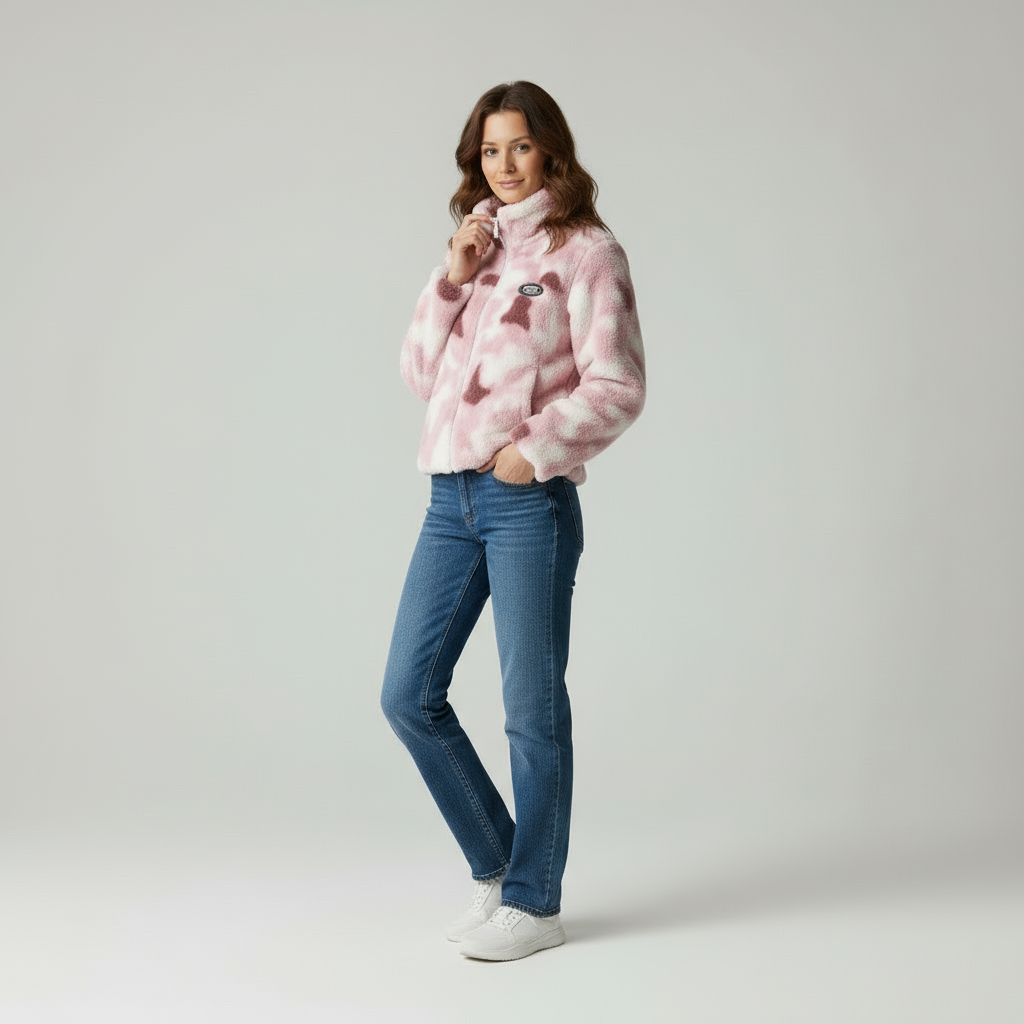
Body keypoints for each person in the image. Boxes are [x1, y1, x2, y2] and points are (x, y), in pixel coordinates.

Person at [380, 81, 646, 962]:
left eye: (519, 147)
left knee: (531, 710)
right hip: (448, 501)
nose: (503, 165)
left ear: (550, 151)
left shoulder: (588, 252)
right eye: (490, 151)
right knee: (408, 695)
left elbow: (619, 383)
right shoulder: (476, 248)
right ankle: (501, 867)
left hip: (527, 503)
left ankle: (535, 903)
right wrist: (453, 277)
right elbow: (419, 375)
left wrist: (535, 447)